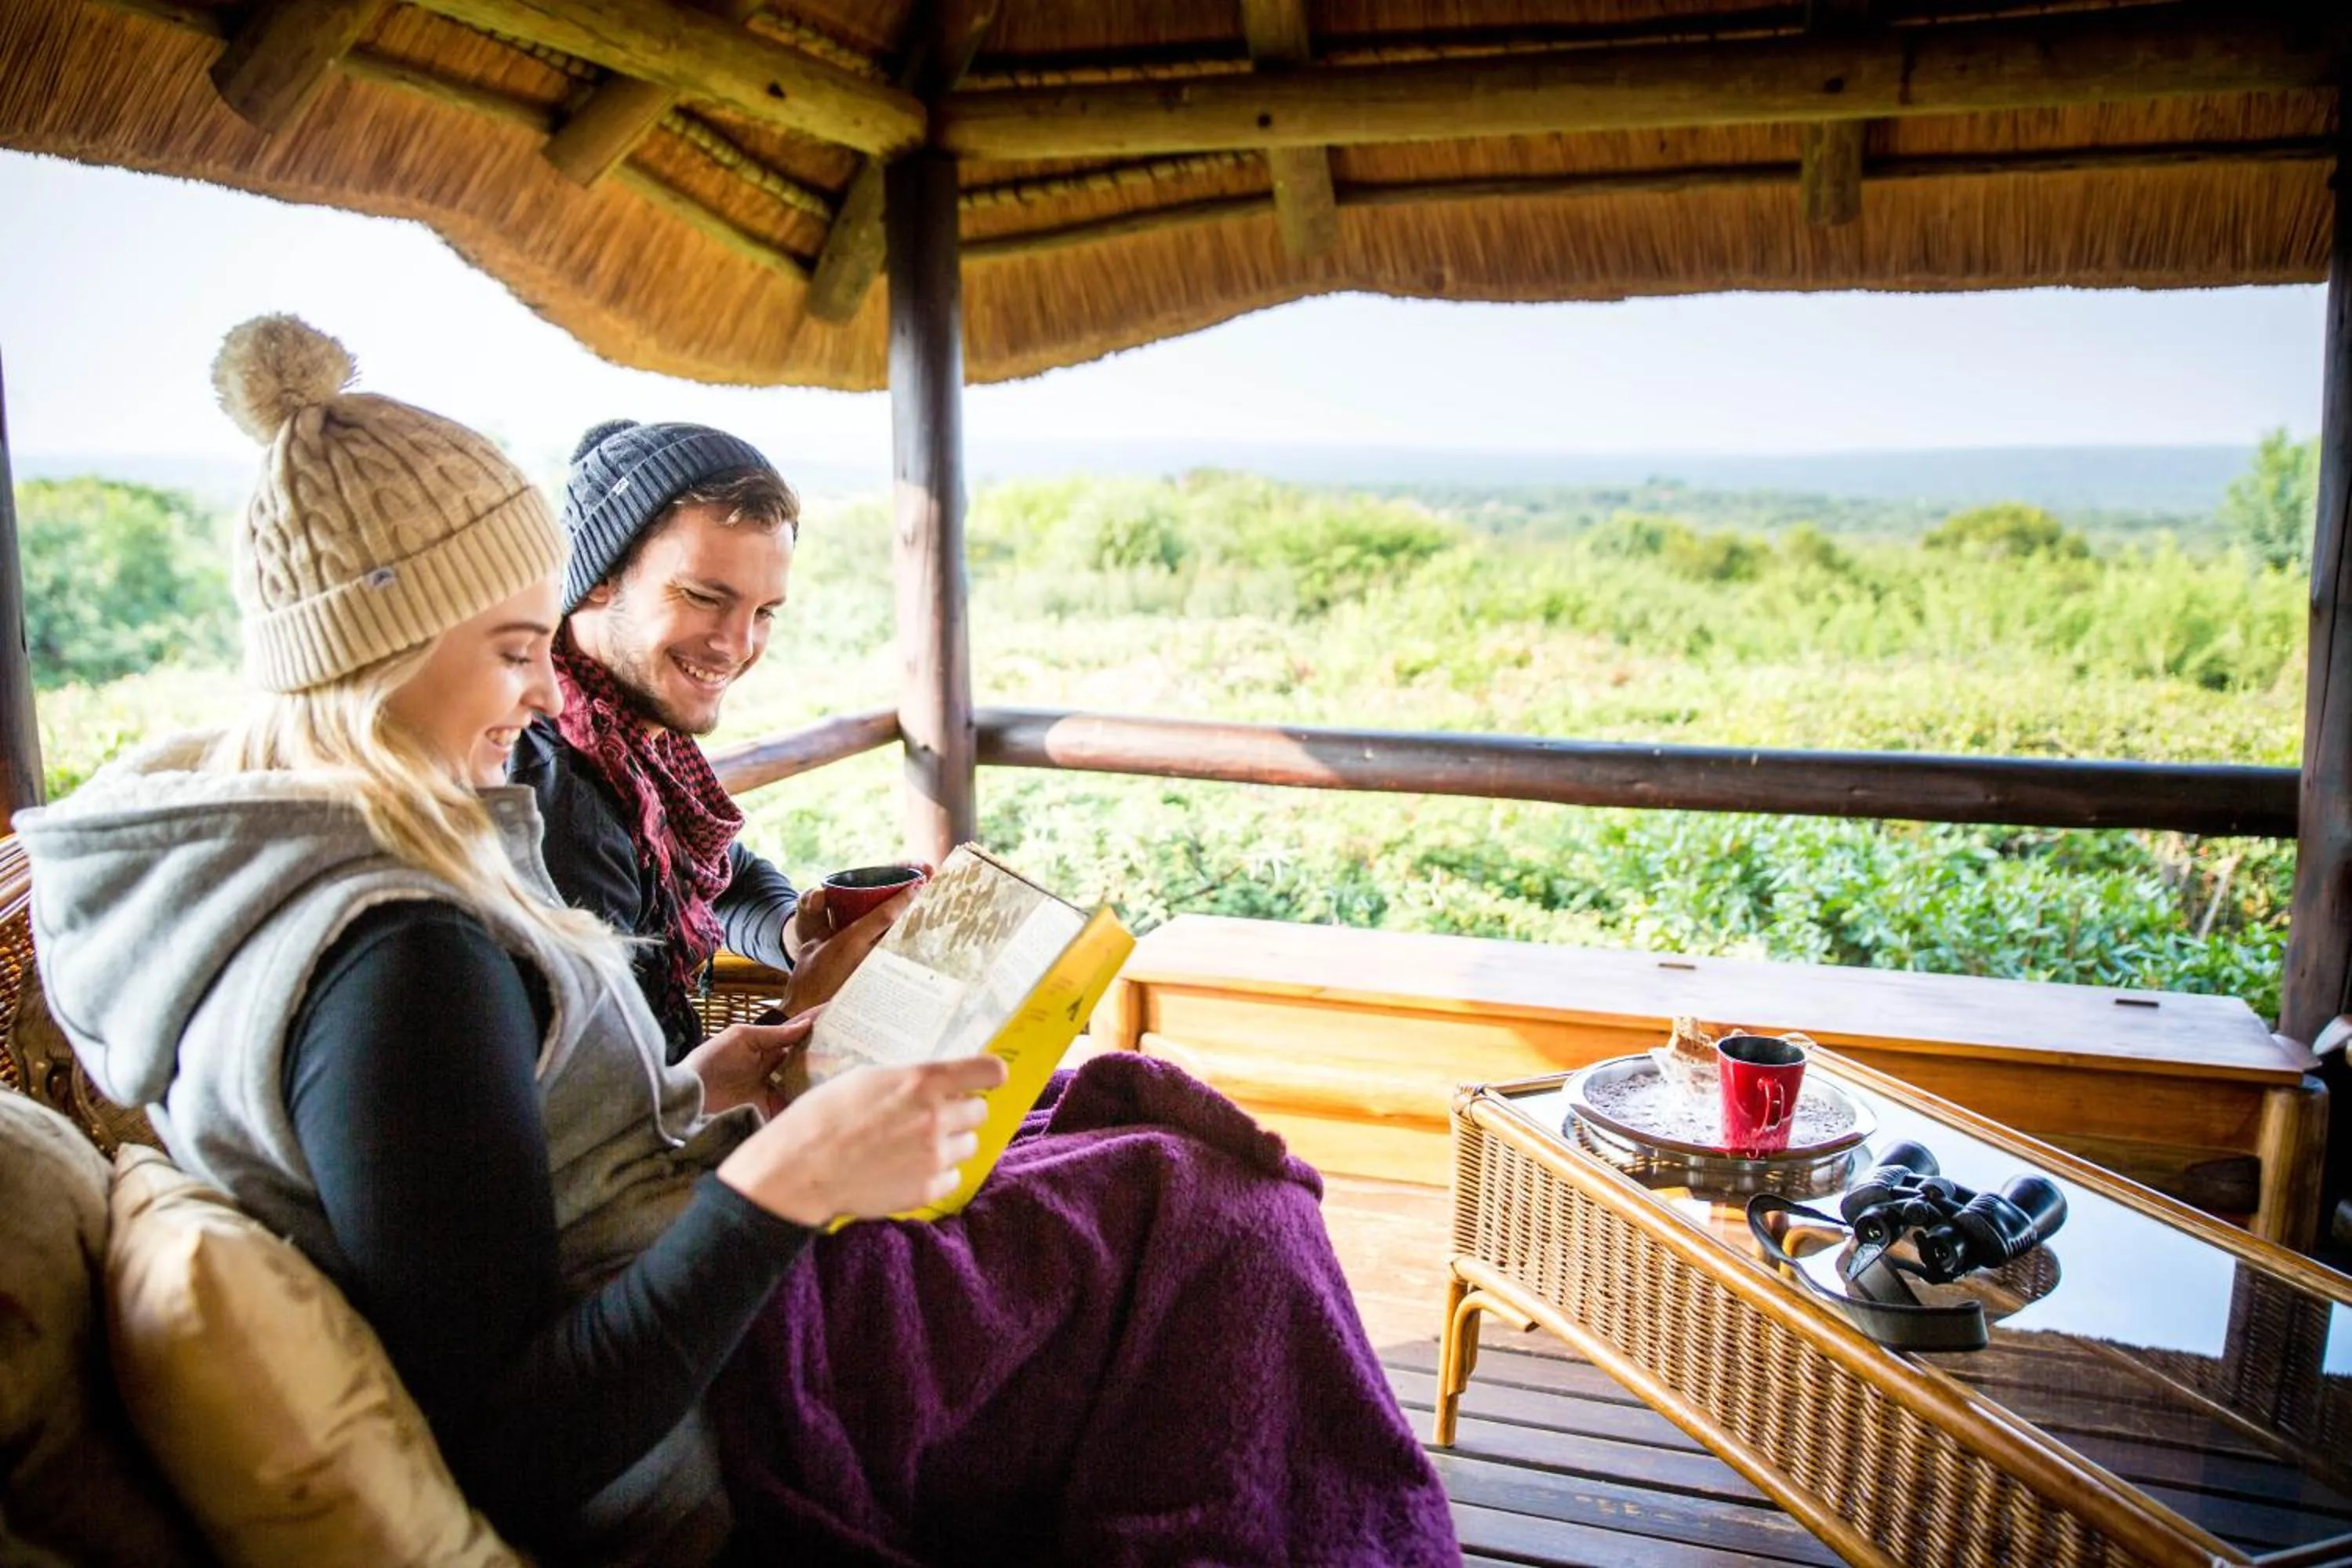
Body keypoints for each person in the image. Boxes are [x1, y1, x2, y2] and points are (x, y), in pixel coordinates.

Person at [22, 317, 1458, 1566]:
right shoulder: (395, 953)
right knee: (1204, 1210)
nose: (538, 696)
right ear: (382, 643)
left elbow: (516, 1157)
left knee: (1147, 1144)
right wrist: (784, 1180)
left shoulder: (325, 863)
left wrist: (715, 1080)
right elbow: (522, 1443)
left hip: (704, 1257)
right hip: (732, 1403)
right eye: (517, 648)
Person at [506, 419, 863, 1062]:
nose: (737, 644)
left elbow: (717, 873)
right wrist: (803, 1007)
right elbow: (632, 1109)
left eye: (764, 612)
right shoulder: (557, 797)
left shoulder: (628, 741)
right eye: (702, 596)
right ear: (594, 580)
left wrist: (792, 931)